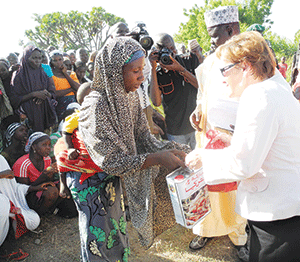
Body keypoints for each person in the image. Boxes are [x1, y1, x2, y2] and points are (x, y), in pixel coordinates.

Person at [186, 31, 300, 262]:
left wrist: (203, 159)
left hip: (276, 217)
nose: (222, 78)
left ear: (246, 66)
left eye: (224, 70)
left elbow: (244, 164)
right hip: (283, 209)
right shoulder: (275, 88)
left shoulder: (258, 96)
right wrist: (232, 140)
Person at [77, 37, 189, 261]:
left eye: (143, 69)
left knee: (118, 231)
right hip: (91, 180)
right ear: (114, 71)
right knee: (99, 236)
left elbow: (143, 138)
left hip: (116, 179)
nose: (142, 76)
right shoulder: (95, 107)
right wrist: (158, 158)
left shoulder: (131, 96)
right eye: (135, 70)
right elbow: (111, 161)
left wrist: (174, 149)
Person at [189, 6, 248, 261]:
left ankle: (238, 233)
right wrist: (197, 110)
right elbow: (203, 95)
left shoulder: (249, 60)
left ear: (231, 29)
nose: (211, 41)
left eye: (215, 35)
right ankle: (208, 228)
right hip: (208, 135)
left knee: (235, 185)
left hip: (235, 137)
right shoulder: (209, 63)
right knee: (210, 183)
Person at [149, 33, 200, 149]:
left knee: (200, 164)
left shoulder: (189, 60)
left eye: (171, 48)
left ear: (175, 49)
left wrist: (180, 69)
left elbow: (201, 86)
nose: (168, 53)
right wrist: (152, 68)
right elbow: (156, 102)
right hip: (175, 132)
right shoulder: (158, 74)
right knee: (182, 165)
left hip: (196, 127)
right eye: (163, 50)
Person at [0, 155, 54, 261]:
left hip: (9, 203)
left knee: (33, 220)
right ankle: (4, 249)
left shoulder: (0, 159)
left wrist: (34, 188)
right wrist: (1, 175)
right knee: (3, 205)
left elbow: (13, 188)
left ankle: (7, 239)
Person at [10, 46, 57, 133]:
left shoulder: (43, 73)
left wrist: (44, 95)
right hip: (27, 116)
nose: (37, 61)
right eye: (34, 58)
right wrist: (34, 94)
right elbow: (14, 99)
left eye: (40, 58)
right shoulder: (18, 75)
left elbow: (52, 93)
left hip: (44, 114)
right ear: (26, 58)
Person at [49, 50, 80, 122]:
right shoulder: (50, 76)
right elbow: (54, 94)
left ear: (63, 60)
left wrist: (65, 73)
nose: (58, 62)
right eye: (55, 61)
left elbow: (78, 88)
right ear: (51, 62)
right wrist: (71, 90)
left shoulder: (71, 74)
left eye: (60, 60)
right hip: (59, 106)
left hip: (73, 104)